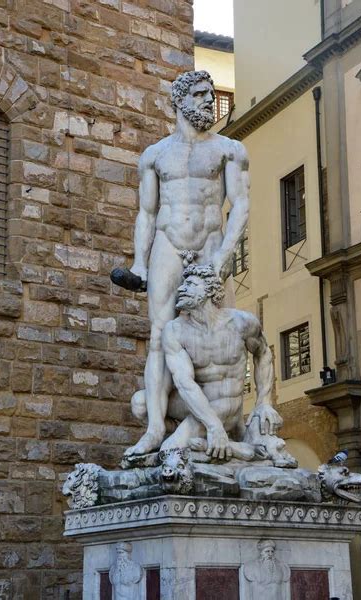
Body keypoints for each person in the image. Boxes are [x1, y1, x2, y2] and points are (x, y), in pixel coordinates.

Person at [114, 70, 250, 456]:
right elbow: (146, 212)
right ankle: (156, 428)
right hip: (167, 247)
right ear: (179, 101)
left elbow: (240, 205)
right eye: (201, 94)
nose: (210, 100)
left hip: (210, 246)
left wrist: (223, 258)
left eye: (211, 93)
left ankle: (221, 423)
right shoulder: (154, 155)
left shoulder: (229, 149)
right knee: (159, 335)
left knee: (220, 333)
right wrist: (139, 262)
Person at [130, 264, 281, 459]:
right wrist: (213, 425)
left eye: (191, 284)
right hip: (195, 402)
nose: (182, 289)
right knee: (140, 403)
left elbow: (263, 354)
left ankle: (226, 444)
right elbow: (184, 384)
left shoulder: (242, 323)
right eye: (183, 285)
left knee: (170, 451)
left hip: (226, 402)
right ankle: (194, 433)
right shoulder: (175, 330)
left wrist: (264, 401)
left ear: (210, 290)